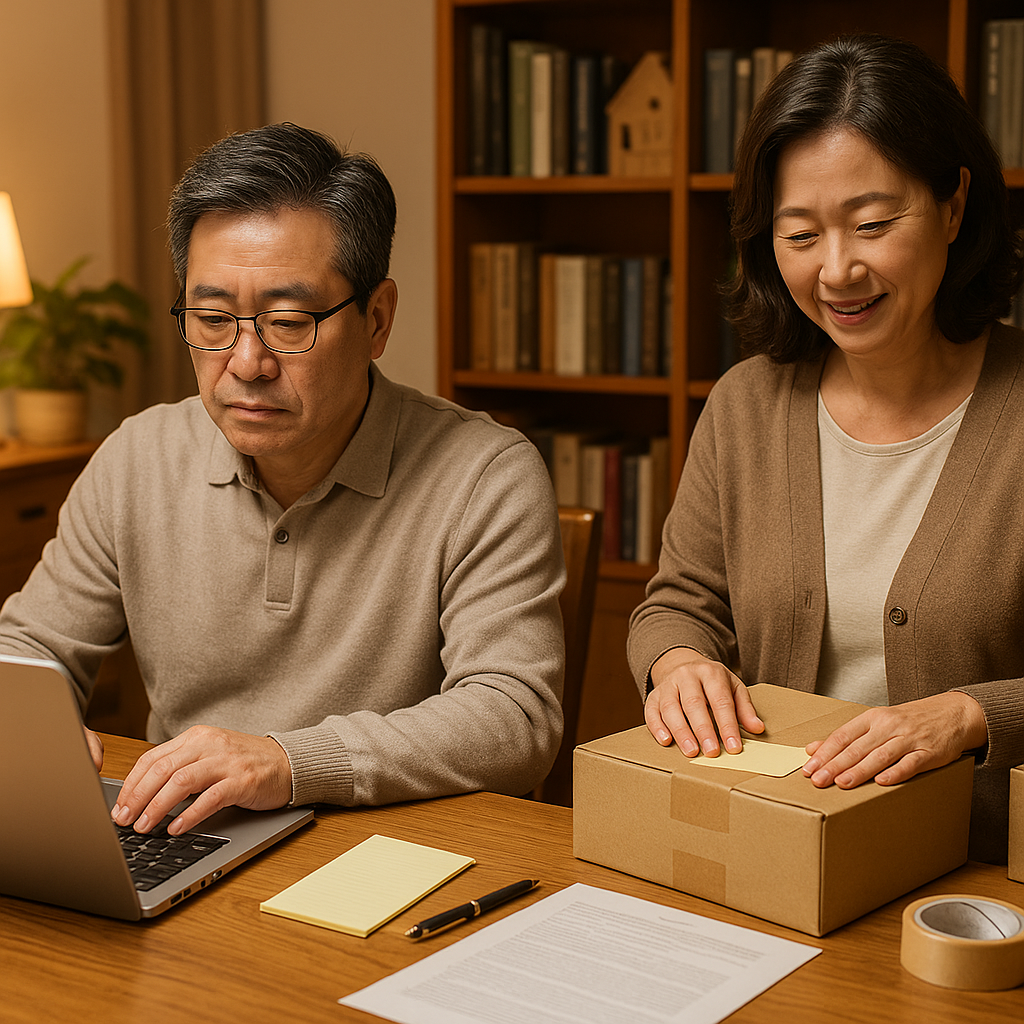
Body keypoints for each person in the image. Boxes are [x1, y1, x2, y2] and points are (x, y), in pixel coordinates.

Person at [0, 123, 565, 836]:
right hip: (181, 833)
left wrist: (288, 762)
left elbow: (514, 717)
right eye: (211, 318)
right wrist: (30, 723)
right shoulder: (137, 457)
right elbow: (30, 647)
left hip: (384, 854)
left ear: (378, 319)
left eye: (289, 322)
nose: (246, 361)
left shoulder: (484, 476)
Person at [628, 35, 1024, 863]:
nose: (837, 270)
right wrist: (676, 664)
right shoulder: (745, 406)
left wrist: (970, 715)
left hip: (981, 880)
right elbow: (678, 603)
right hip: (772, 856)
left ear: (954, 206)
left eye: (873, 224)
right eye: (799, 234)